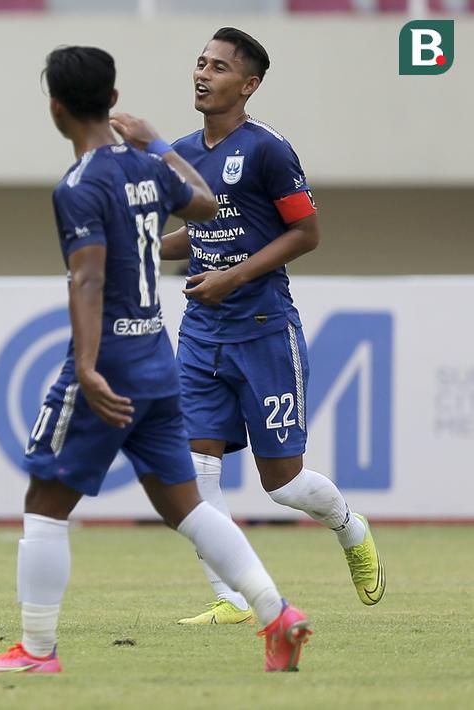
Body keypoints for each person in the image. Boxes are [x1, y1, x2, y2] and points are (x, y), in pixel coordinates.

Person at [0, 46, 311, 674]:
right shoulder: (146, 168)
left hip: (112, 364)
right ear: (113, 100)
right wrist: (157, 144)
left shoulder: (79, 183)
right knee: (186, 506)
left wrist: (89, 367)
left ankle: (37, 650)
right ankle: (277, 614)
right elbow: (205, 203)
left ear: (57, 109)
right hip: (157, 356)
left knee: (45, 501)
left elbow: (88, 280)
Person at [162, 28, 384, 626]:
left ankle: (348, 526)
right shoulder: (183, 152)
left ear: (249, 84)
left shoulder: (268, 150)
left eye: (220, 67)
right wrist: (146, 246)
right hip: (202, 331)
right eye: (200, 62)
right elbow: (207, 231)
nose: (203, 74)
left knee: (281, 485)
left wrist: (231, 278)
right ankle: (229, 598)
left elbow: (304, 234)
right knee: (194, 465)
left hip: (263, 329)